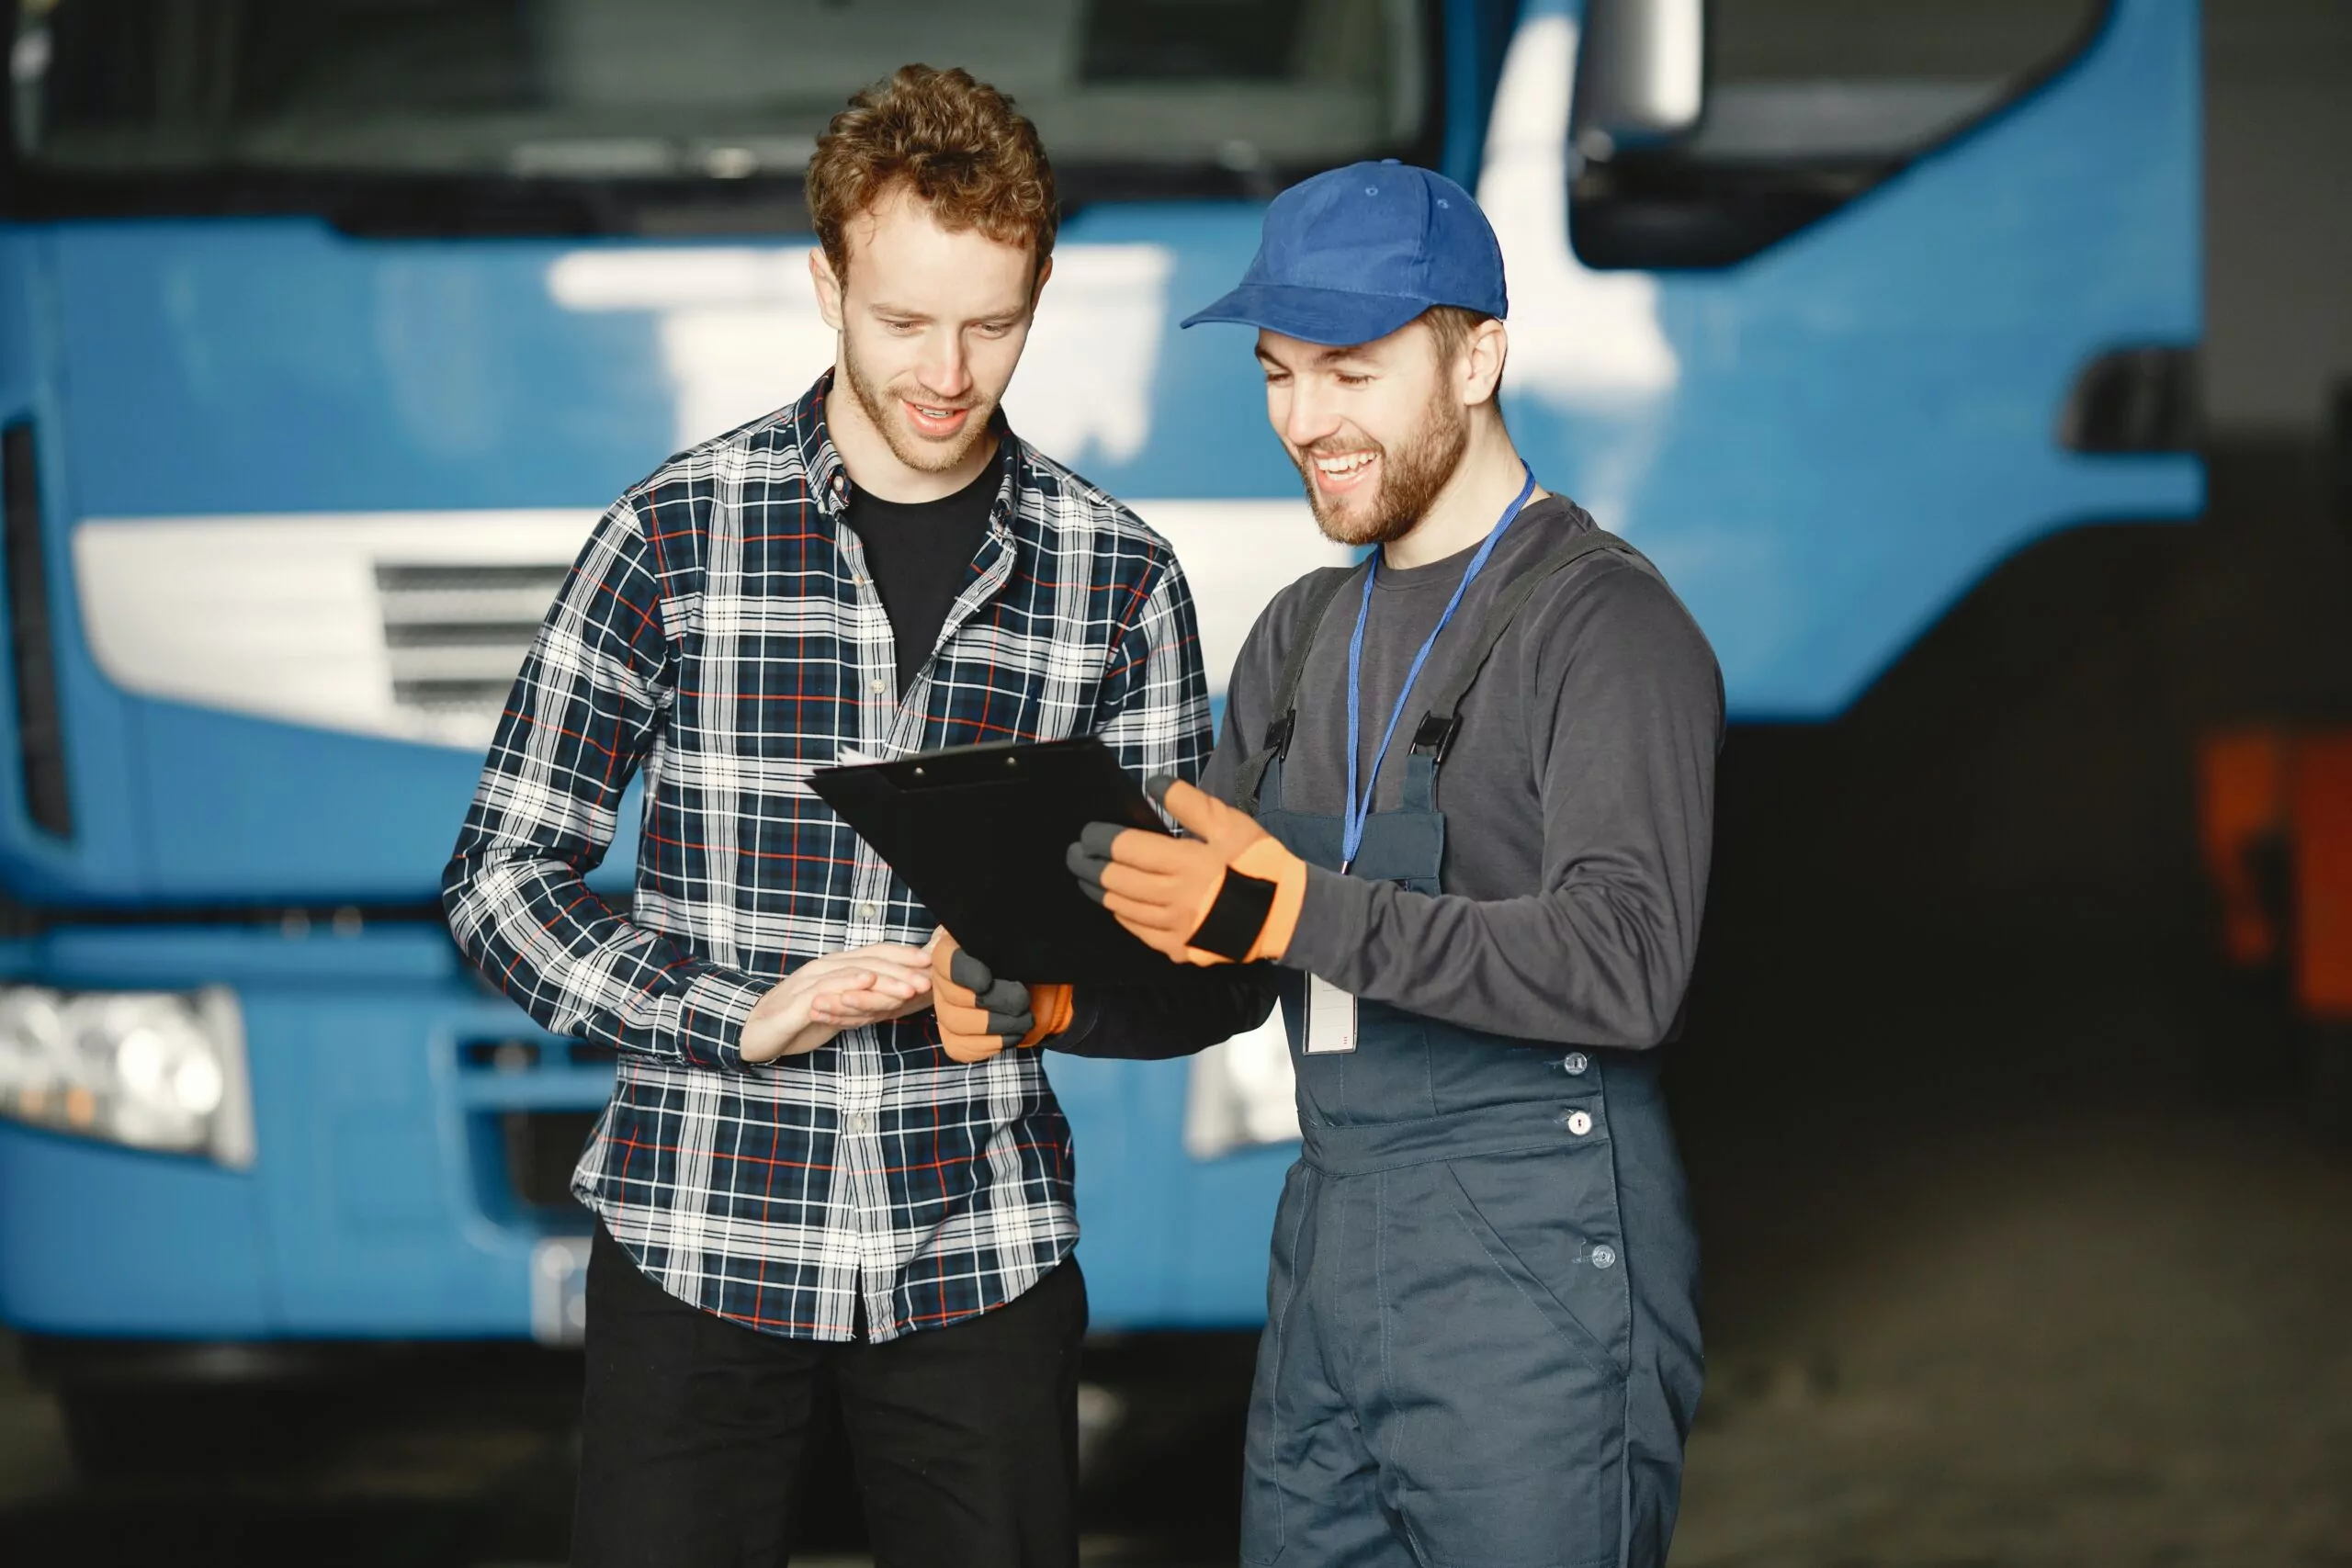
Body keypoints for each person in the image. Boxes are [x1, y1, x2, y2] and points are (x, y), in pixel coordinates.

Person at [441, 64, 1255, 1568]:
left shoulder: (1119, 576)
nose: (949, 370)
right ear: (825, 285)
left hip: (979, 1257)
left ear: (1039, 293)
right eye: (903, 321)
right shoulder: (673, 535)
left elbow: (1199, 965)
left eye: (993, 323)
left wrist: (1045, 995)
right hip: (698, 1239)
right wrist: (725, 1014)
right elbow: (498, 880)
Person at [1025, 161, 1724, 1566]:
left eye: (1349, 370)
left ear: (1479, 356)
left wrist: (1300, 904)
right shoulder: (1297, 637)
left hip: (1534, 1282)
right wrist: (1063, 1001)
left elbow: (1627, 965)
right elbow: (1227, 964)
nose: (1305, 421)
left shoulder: (1604, 629)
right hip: (1333, 1260)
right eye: (1281, 374)